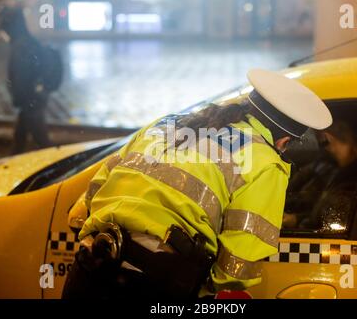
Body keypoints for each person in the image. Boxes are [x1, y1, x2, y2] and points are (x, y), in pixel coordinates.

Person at [62, 69, 333, 299]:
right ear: (284, 141)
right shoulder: (265, 162)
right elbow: (238, 265)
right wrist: (206, 287)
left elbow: (89, 198)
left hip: (88, 268)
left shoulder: (166, 124)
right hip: (153, 285)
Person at [283, 106, 357, 230]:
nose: (325, 150)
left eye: (321, 142)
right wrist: (297, 219)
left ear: (327, 137)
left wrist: (297, 222)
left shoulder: (356, 179)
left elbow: (334, 224)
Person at [0, 7, 53, 154]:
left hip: (31, 101)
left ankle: (59, 166)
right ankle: (12, 163)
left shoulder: (21, 46)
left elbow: (21, 77)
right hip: (32, 100)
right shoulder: (27, 42)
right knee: (20, 138)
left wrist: (19, 98)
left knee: (41, 141)